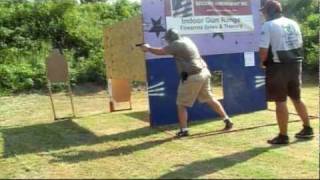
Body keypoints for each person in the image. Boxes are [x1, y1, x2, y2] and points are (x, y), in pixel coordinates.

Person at [140, 29, 233, 137]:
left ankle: (184, 130)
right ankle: (227, 119)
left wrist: (147, 48)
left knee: (181, 104)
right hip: (203, 72)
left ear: (171, 38)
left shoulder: (176, 44)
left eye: (168, 39)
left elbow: (160, 51)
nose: (167, 42)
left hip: (193, 76)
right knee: (210, 99)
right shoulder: (187, 40)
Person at [259, 0, 314, 144]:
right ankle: (308, 128)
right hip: (295, 63)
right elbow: (299, 43)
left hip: (278, 66)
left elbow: (263, 50)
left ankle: (283, 136)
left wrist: (263, 63)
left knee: (280, 101)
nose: (263, 14)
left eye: (264, 11)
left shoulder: (268, 25)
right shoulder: (293, 23)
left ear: (269, 11)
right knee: (296, 97)